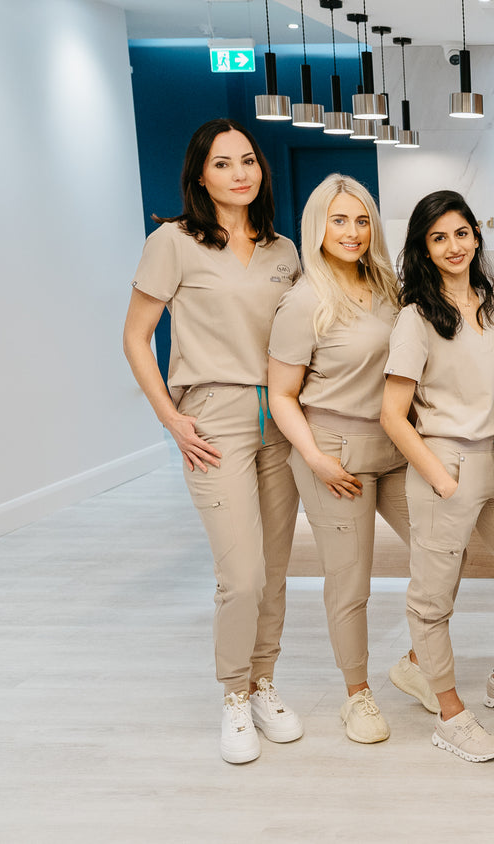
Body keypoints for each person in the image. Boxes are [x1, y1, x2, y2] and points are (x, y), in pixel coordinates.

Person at [121, 118, 304, 764]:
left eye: (248, 160)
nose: (240, 173)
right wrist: (171, 417)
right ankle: (232, 695)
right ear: (201, 173)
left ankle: (263, 684)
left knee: (276, 572)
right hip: (214, 417)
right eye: (223, 163)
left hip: (280, 419)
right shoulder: (172, 241)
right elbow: (135, 336)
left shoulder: (284, 251)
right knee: (243, 572)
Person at [379, 190, 494, 765]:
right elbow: (392, 414)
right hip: (447, 464)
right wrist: (442, 477)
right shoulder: (416, 317)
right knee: (433, 601)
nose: (453, 246)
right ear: (423, 249)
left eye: (461, 233)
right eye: (439, 238)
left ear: (476, 236)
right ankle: (451, 715)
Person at [266, 174, 407, 745]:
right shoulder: (304, 300)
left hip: (395, 447)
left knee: (439, 551)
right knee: (351, 581)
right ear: (317, 226)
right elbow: (280, 394)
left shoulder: (388, 286)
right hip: (333, 452)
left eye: (362, 219)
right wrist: (315, 458)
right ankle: (357, 696)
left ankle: (418, 663)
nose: (352, 232)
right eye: (339, 220)